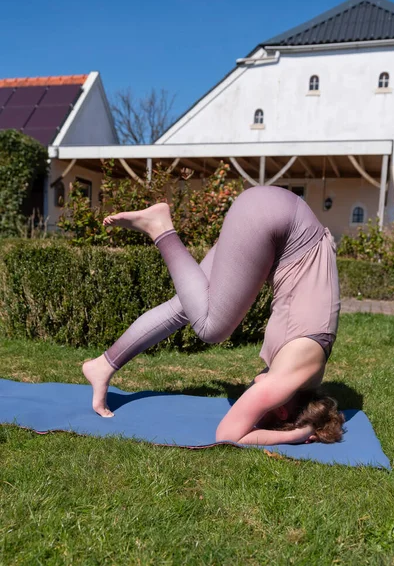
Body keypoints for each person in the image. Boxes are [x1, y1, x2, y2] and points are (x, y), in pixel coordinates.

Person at [83, 186, 344, 445]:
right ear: (284, 410)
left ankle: (103, 365)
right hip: (276, 220)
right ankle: (160, 228)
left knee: (186, 305)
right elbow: (228, 434)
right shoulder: (288, 378)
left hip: (277, 214)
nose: (253, 384)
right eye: (265, 414)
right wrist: (294, 435)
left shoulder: (310, 369)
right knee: (212, 329)